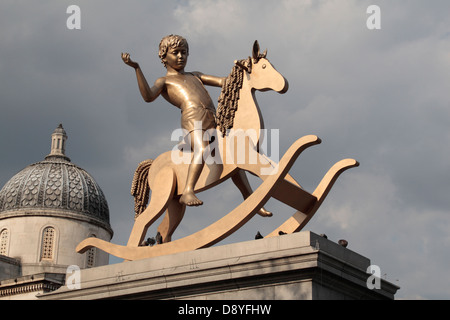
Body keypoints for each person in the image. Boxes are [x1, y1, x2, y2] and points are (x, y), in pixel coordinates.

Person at [122, 35, 224, 207]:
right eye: (175, 53)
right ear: (164, 56)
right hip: (193, 119)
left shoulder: (196, 75)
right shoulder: (164, 81)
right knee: (203, 148)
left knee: (232, 151)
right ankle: (188, 191)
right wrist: (137, 68)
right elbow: (148, 96)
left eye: (184, 53)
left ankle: (248, 194)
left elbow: (224, 81)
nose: (180, 56)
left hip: (213, 118)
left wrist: (244, 70)